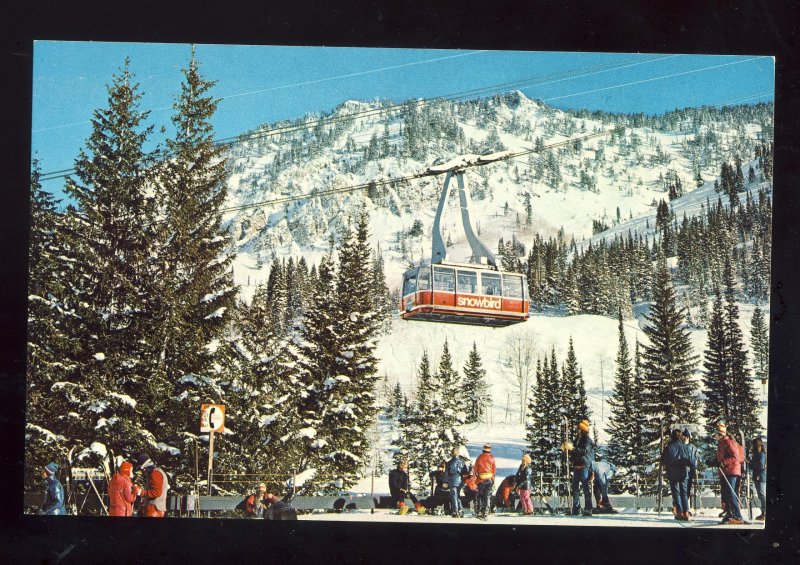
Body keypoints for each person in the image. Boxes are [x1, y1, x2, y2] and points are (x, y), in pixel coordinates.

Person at [661, 428, 696, 521]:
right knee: (684, 492)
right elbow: (692, 461)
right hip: (683, 472)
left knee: (676, 492)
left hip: (672, 472)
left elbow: (662, 461)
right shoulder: (686, 447)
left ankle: (679, 512)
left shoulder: (668, 447)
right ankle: (686, 512)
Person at [563, 419, 595, 516]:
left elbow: (584, 451)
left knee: (585, 487)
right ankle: (576, 508)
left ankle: (588, 508)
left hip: (584, 465)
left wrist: (572, 448)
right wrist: (567, 449)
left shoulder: (587, 440)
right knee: (575, 488)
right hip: (577, 465)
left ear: (582, 429)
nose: (576, 430)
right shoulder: (577, 439)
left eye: (578, 428)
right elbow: (576, 451)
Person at [715, 423, 744, 525]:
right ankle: (730, 513)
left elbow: (735, 456)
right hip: (726, 471)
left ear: (720, 434)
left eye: (716, 433)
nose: (714, 435)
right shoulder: (721, 443)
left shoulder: (728, 442)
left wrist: (723, 462)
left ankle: (737, 516)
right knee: (727, 493)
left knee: (731, 493)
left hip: (731, 471)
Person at [135, 453, 170, 518]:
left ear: (145, 466)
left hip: (154, 509)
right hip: (156, 508)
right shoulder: (157, 472)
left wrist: (141, 492)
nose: (143, 472)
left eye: (142, 469)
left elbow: (157, 492)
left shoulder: (155, 473)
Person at [444, 447, 471, 518]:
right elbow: (465, 472)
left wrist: (446, 482)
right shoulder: (462, 462)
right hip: (460, 480)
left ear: (452, 454)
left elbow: (446, 473)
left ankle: (455, 511)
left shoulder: (449, 463)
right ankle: (460, 510)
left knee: (454, 496)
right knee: (457, 495)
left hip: (452, 480)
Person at [473, 443, 496, 519]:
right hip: (489, 479)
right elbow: (494, 470)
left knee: (479, 496)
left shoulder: (480, 457)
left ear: (483, 449)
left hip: (481, 479)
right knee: (487, 496)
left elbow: (475, 469)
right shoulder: (492, 458)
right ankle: (485, 512)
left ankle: (478, 511)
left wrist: (478, 477)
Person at [681, 428, 700, 515]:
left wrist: (696, 468)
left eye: (687, 437)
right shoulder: (680, 446)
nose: (685, 438)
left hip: (690, 471)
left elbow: (696, 459)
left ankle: (684, 507)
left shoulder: (693, 447)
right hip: (681, 471)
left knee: (687, 490)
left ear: (689, 438)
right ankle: (682, 508)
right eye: (684, 436)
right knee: (682, 490)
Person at [750, 437, 767, 521]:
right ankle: (764, 512)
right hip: (758, 476)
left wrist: (751, 464)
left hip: (760, 476)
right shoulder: (757, 454)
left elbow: (760, 466)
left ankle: (765, 512)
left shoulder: (761, 454)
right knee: (761, 495)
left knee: (762, 494)